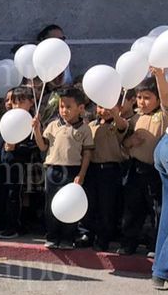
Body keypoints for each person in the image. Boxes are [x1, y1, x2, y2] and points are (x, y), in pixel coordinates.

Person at [32, 86, 94, 250]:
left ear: (80, 108)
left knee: (70, 204)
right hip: (53, 170)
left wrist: (81, 174)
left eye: (68, 107)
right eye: (61, 106)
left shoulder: (84, 129)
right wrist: (37, 130)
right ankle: (52, 236)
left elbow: (87, 154)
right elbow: (42, 147)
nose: (64, 110)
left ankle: (68, 237)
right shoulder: (53, 125)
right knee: (51, 204)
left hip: (73, 170)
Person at [119, 76, 166, 255]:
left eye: (147, 97)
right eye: (139, 97)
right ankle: (128, 243)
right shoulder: (135, 118)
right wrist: (130, 142)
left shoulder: (161, 116)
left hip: (153, 171)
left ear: (158, 98)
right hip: (134, 169)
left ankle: (156, 245)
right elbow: (123, 143)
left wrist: (160, 75)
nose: (142, 102)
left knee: (156, 209)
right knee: (132, 208)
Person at [0, 86, 38, 239]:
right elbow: (0, 137)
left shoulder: (32, 122)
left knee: (13, 195)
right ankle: (0, 223)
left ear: (31, 103)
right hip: (3, 162)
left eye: (21, 102)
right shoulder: (8, 117)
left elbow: (33, 146)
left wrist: (17, 147)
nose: (17, 106)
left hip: (19, 165)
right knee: (0, 193)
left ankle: (13, 226)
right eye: (14, 102)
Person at [86, 101, 131, 252]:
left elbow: (122, 126)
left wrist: (114, 113)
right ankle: (89, 234)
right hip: (92, 169)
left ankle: (103, 238)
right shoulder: (92, 124)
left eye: (107, 106)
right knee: (91, 204)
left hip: (110, 170)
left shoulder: (118, 124)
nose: (103, 110)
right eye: (100, 106)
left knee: (107, 206)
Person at [149, 65, 168, 290]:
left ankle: (159, 272)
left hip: (163, 146)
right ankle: (162, 268)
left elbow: (165, 99)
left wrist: (160, 76)